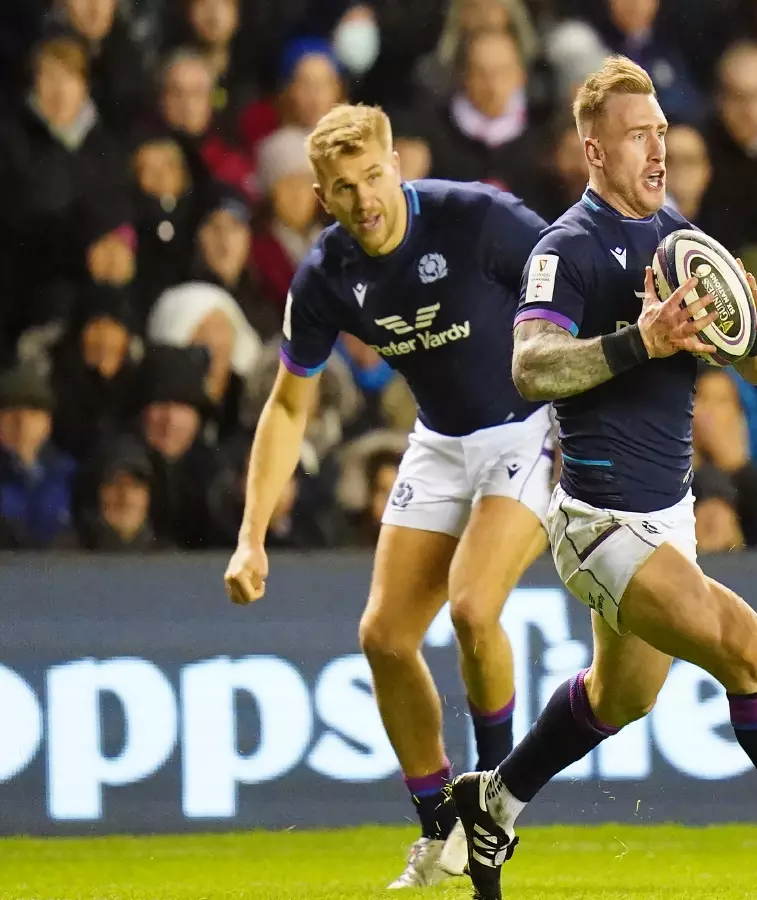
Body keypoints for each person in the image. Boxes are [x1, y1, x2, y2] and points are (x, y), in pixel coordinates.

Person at [449, 56, 757, 900]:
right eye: (639, 136)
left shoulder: (684, 241)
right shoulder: (564, 249)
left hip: (671, 514)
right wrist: (640, 342)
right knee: (745, 645)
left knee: (622, 697)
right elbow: (531, 366)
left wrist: (746, 333)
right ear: (593, 152)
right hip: (596, 521)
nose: (659, 150)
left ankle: (494, 801)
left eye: (663, 134)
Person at [221, 104, 555, 889]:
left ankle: (492, 813)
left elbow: (579, 279)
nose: (364, 197)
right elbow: (288, 405)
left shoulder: (478, 220)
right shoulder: (325, 274)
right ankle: (441, 824)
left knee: (474, 610)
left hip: (530, 425)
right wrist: (251, 535)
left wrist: (591, 409)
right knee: (383, 636)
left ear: (397, 162)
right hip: (440, 440)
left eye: (373, 175)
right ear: (320, 196)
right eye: (343, 187)